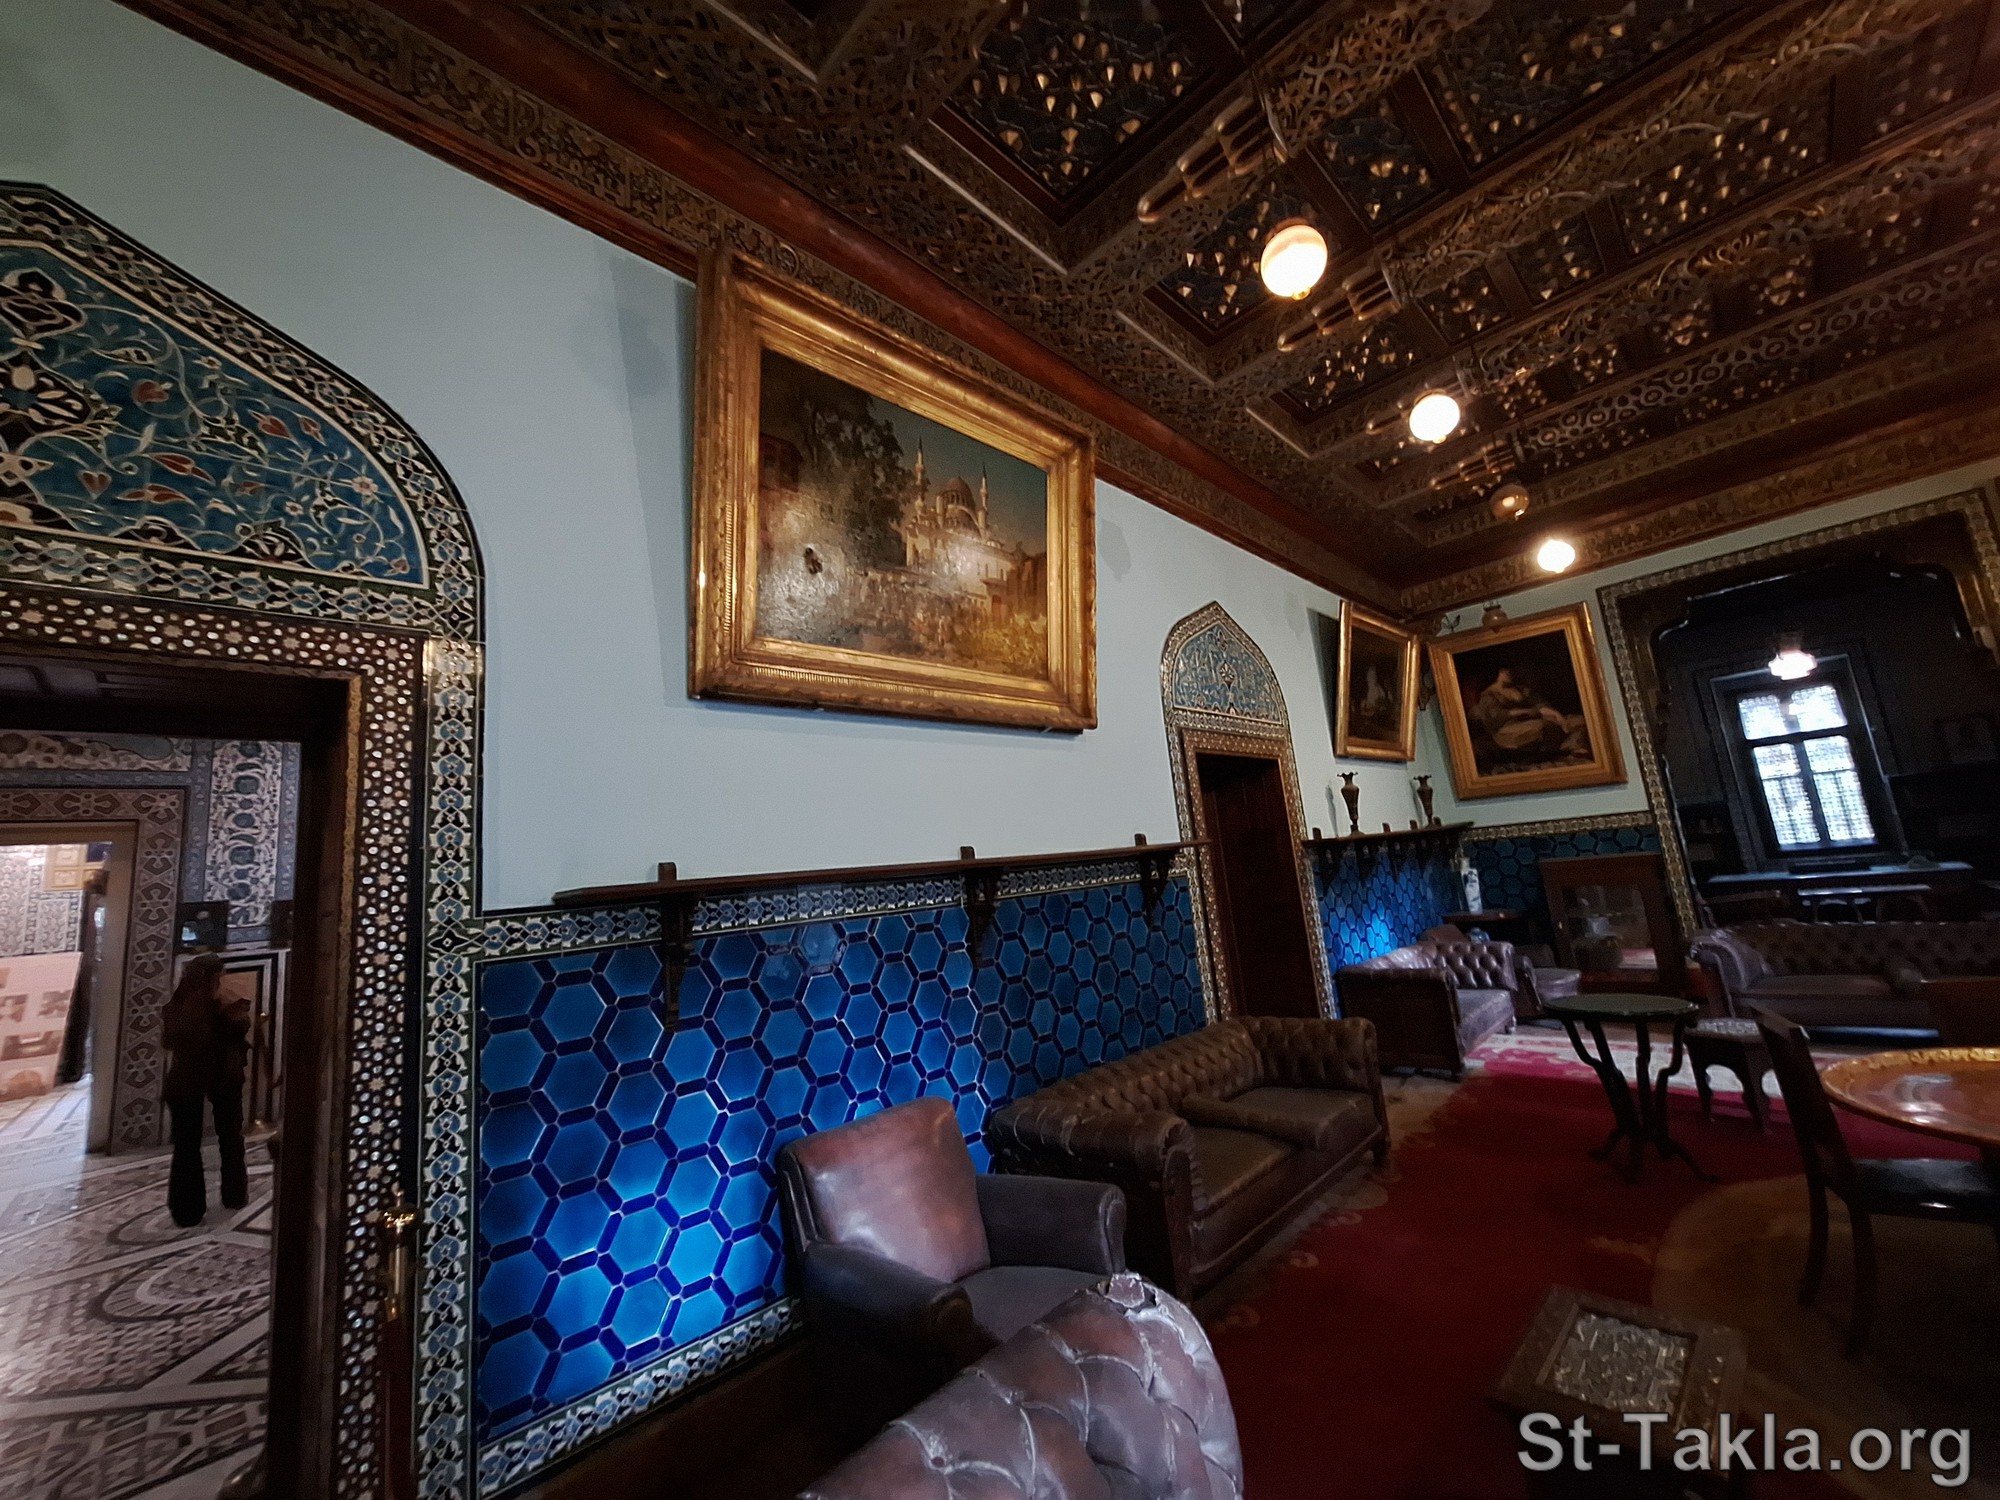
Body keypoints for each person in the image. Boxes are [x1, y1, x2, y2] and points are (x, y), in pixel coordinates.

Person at [162, 953, 251, 1226]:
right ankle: (231, 1195)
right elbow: (199, 1037)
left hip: (195, 1080)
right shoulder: (198, 1006)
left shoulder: (180, 1004)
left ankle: (188, 1210)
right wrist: (225, 1014)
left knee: (193, 1144)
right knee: (221, 1139)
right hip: (208, 1078)